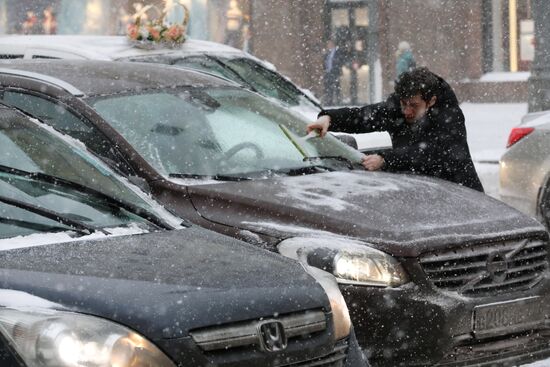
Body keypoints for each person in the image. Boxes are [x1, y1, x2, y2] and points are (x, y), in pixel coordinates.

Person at [307, 67, 484, 192]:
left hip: (460, 192)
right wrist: (329, 118)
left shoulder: (449, 115)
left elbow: (433, 153)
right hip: (419, 192)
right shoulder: (397, 109)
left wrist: (385, 159)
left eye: (414, 106)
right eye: (403, 104)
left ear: (431, 101)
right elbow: (364, 117)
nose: (407, 111)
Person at [323, 39, 345, 106]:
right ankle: (330, 102)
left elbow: (340, 61)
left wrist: (337, 69)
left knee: (336, 87)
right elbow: (326, 61)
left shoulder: (338, 51)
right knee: (328, 88)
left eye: (329, 44)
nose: (328, 45)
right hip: (328, 72)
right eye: (327, 44)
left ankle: (337, 102)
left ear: (333, 44)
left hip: (335, 72)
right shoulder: (328, 52)